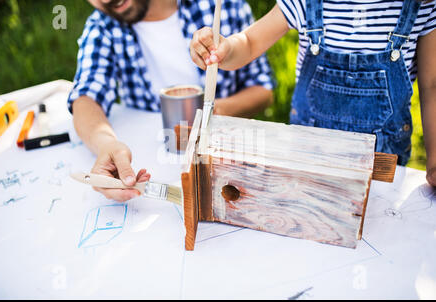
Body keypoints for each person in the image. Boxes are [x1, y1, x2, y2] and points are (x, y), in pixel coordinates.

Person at [190, 0, 436, 187]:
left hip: (380, 170)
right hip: (307, 162)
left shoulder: (421, 6)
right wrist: (226, 48)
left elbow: (432, 85)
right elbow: (249, 42)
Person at [68, 0, 275, 202]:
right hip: (153, 167)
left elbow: (263, 91)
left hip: (223, 163)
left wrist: (213, 114)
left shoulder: (223, 6)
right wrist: (107, 144)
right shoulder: (103, 27)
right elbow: (86, 98)